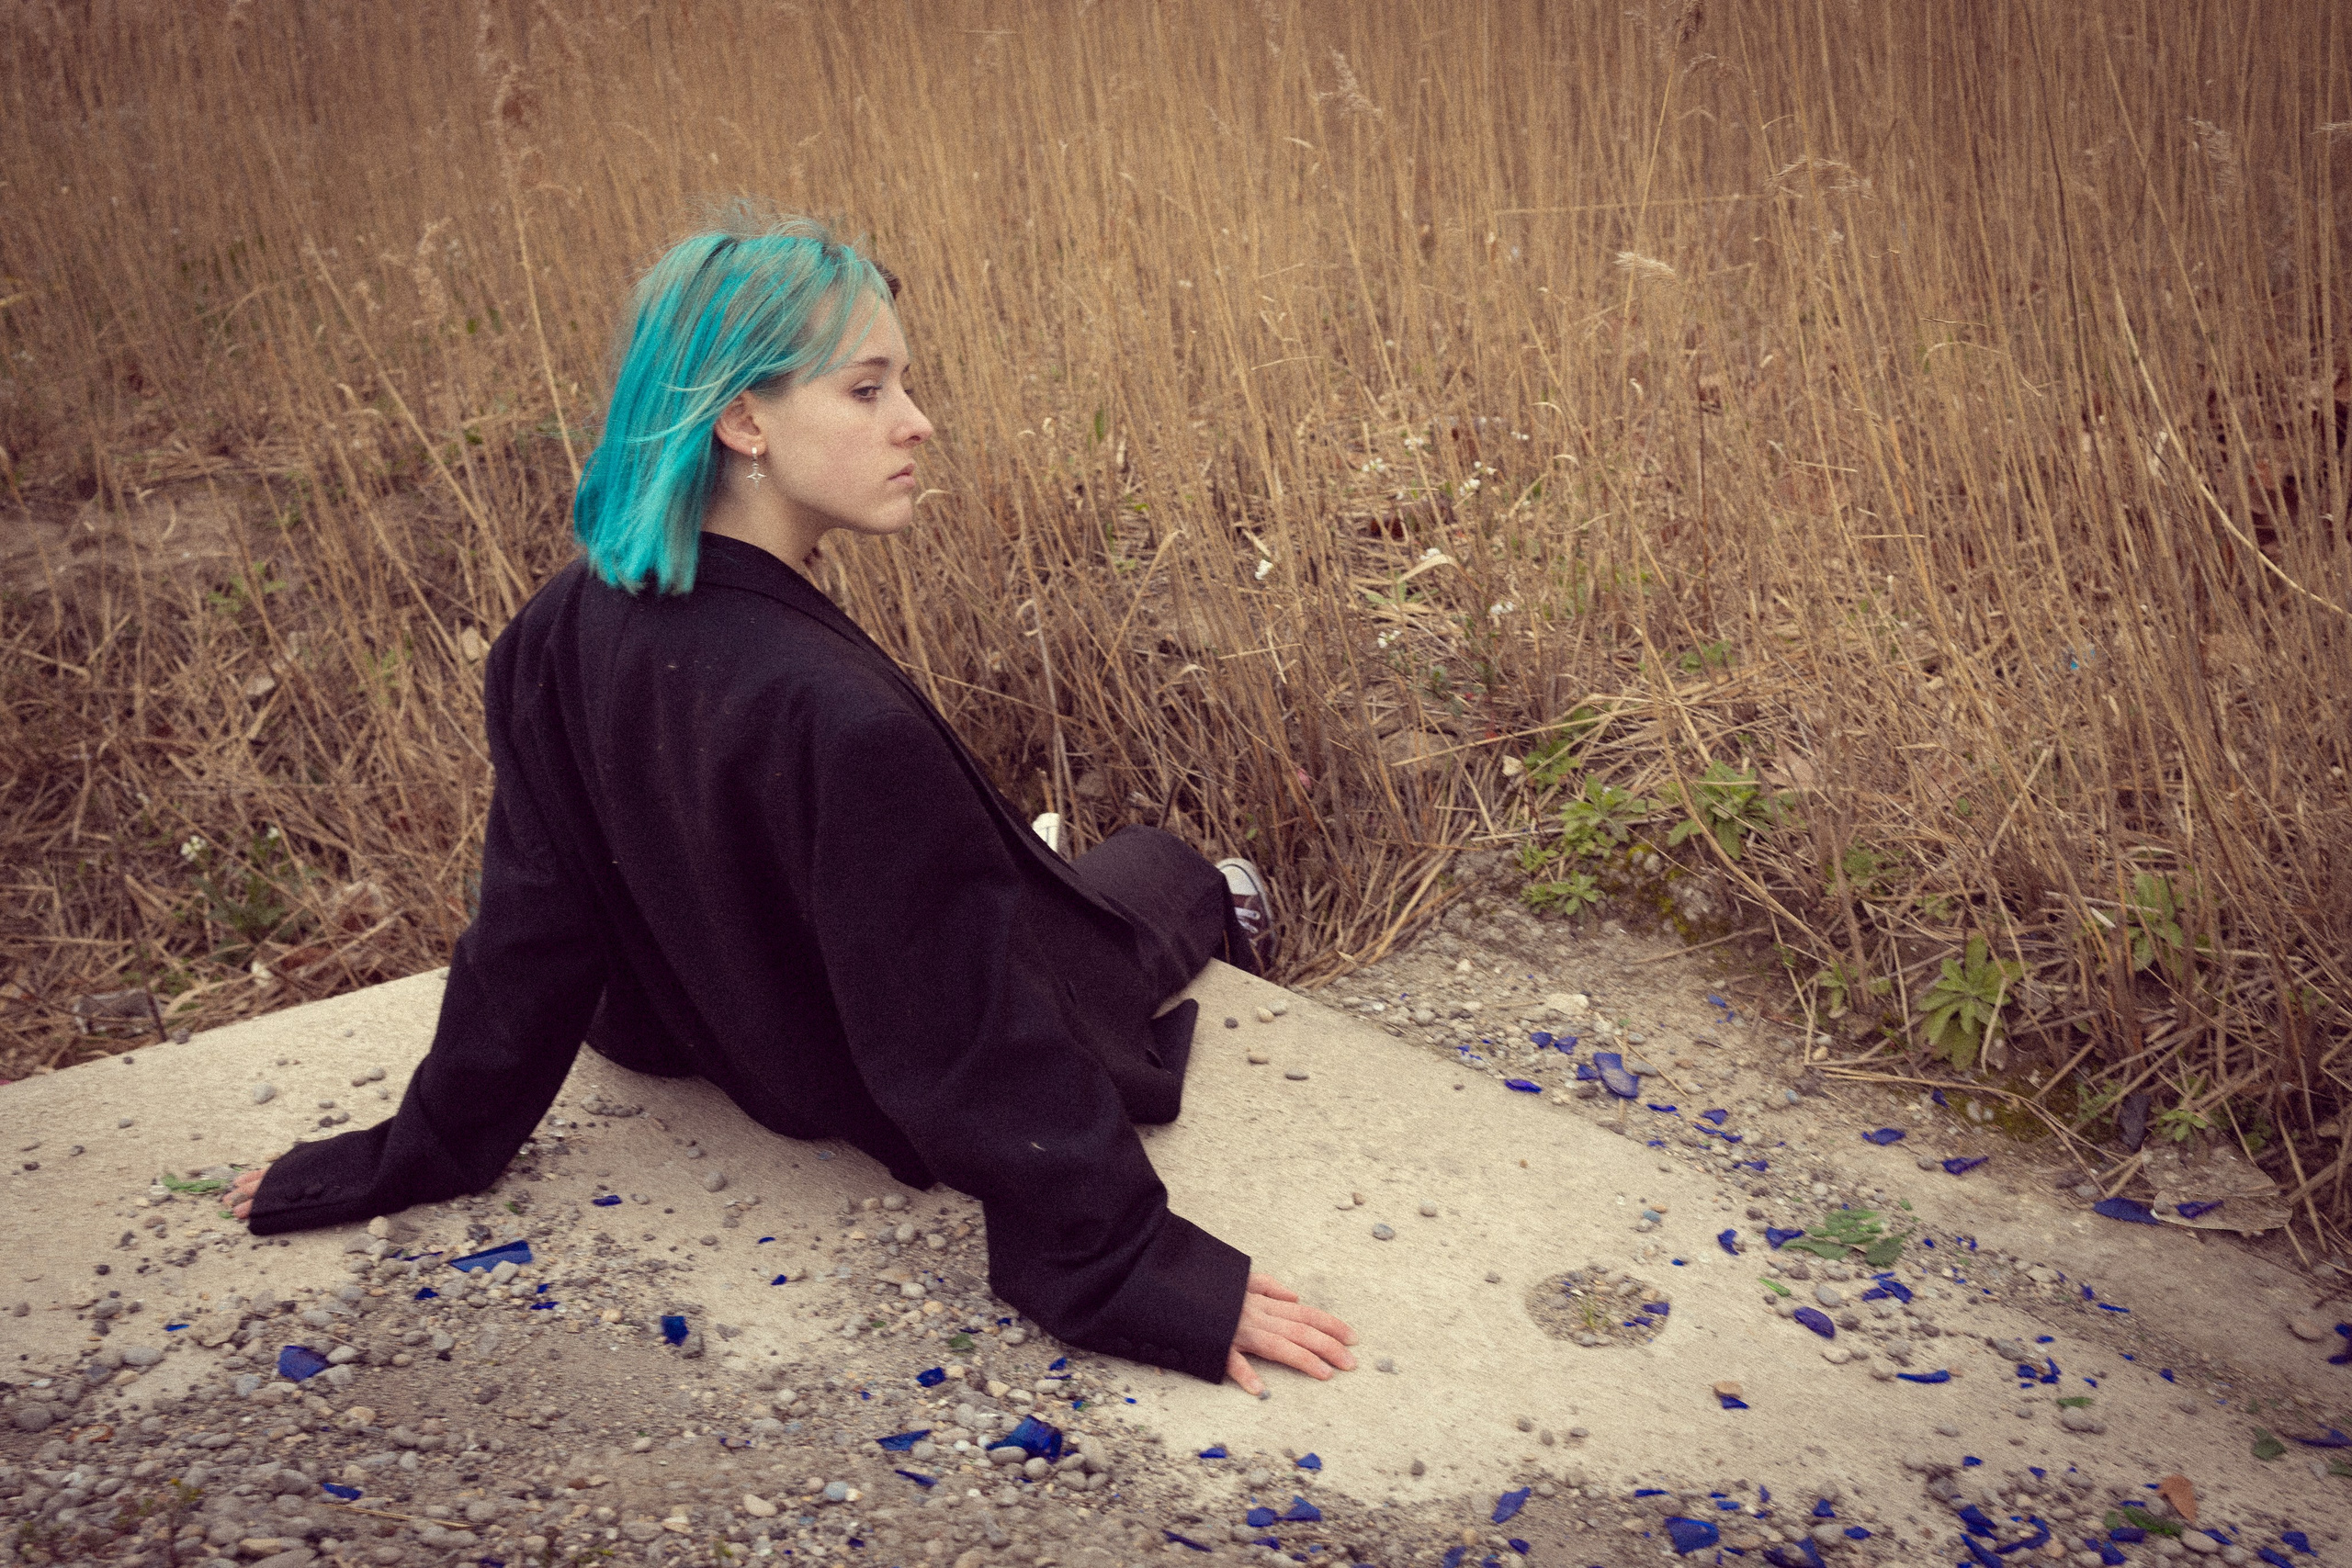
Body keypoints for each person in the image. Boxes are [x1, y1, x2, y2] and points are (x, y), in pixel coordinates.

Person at [229, 210, 1354, 1396]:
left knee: (1002, 873)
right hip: (845, 1056)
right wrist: (1126, 1263)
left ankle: (1022, 869)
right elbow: (971, 1046)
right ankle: (1224, 901)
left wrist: (426, 1146)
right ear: (744, 416)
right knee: (1129, 890)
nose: (917, 421)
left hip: (690, 1015)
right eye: (868, 389)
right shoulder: (842, 723)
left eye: (905, 384)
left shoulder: (559, 625)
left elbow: (530, 929)